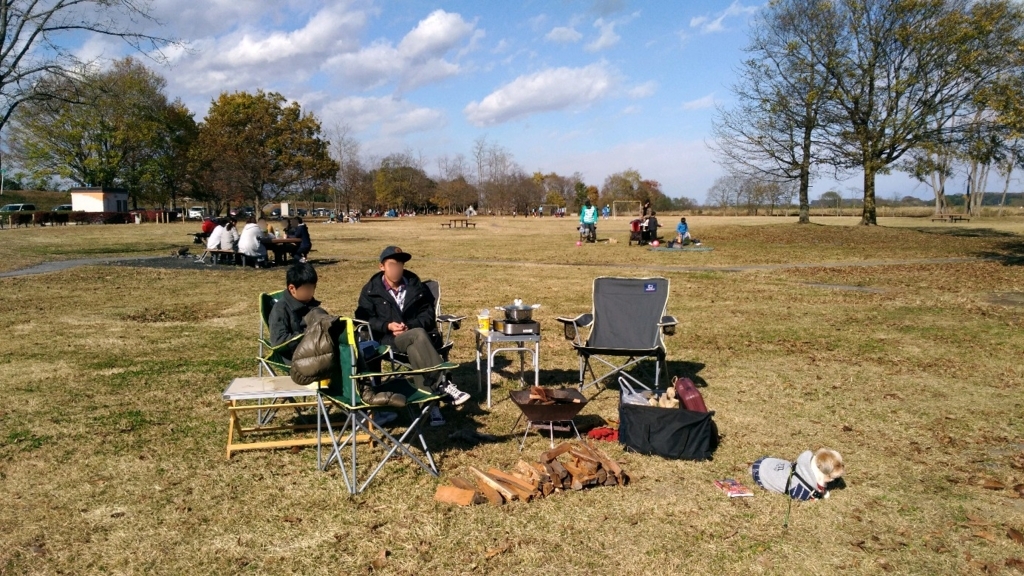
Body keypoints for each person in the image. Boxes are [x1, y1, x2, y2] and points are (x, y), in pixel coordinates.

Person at [356, 246, 470, 426]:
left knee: (416, 343)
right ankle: (442, 386)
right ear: (382, 267)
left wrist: (410, 326)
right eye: (392, 264)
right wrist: (387, 326)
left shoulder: (415, 284)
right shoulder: (371, 290)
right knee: (417, 338)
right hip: (389, 341)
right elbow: (362, 319)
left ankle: (431, 405)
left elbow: (427, 314)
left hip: (417, 336)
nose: (397, 269)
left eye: (400, 264)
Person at [268, 262, 321, 364]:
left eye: (313, 287)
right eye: (307, 288)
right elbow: (278, 341)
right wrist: (308, 336)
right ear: (292, 289)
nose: (311, 292)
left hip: (314, 351)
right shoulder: (280, 309)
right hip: (295, 357)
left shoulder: (310, 304)